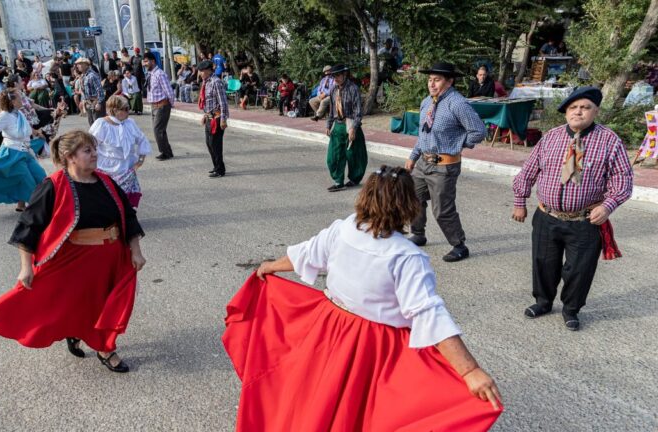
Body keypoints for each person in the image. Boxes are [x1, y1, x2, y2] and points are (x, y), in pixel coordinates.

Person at [223, 165, 503, 431]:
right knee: (363, 408)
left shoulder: (344, 228)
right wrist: (469, 371)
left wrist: (271, 265)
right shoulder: (407, 256)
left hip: (328, 328)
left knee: (315, 394)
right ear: (408, 206)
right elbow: (428, 313)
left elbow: (306, 254)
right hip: (374, 345)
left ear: (366, 195)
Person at [0, 130, 146, 374]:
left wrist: (135, 250)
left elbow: (128, 216)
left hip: (111, 259)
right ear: (70, 157)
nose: (95, 154)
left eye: (94, 149)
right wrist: (26, 268)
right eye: (87, 150)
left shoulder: (107, 182)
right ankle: (96, 343)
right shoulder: (53, 186)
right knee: (77, 304)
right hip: (74, 261)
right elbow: (28, 227)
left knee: (109, 305)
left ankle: (97, 343)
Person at [512, 87, 633, 331]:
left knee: (579, 270)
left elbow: (623, 180)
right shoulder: (551, 137)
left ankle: (571, 309)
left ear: (595, 111)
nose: (578, 112)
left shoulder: (610, 141)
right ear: (566, 112)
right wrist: (519, 201)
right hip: (547, 216)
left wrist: (608, 206)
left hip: (585, 221)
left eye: (585, 107)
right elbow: (529, 170)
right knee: (544, 262)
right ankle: (543, 302)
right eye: (572, 107)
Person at [404, 62, 486, 262]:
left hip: (444, 166)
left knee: (442, 209)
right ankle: (418, 233)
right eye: (430, 79)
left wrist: (457, 144)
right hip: (423, 162)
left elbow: (479, 131)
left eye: (437, 80)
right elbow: (423, 135)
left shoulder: (457, 104)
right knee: (413, 198)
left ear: (449, 81)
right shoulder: (427, 102)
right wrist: (413, 156)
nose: (432, 84)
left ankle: (459, 245)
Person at [0, 88, 47, 211]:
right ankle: (37, 209)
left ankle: (21, 204)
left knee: (40, 175)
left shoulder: (19, 113)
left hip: (26, 152)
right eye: (19, 97)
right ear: (12, 102)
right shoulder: (4, 116)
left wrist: (37, 133)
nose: (22, 99)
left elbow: (26, 128)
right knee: (26, 181)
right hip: (13, 154)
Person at [90, 96, 152, 208]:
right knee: (108, 199)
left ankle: (126, 220)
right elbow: (90, 145)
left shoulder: (130, 123)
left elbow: (142, 139)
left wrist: (140, 161)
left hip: (126, 169)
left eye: (128, 108)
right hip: (106, 170)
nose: (129, 111)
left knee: (126, 200)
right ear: (115, 110)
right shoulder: (101, 124)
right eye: (126, 109)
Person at [324, 64, 367, 192]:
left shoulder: (353, 89)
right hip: (338, 126)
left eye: (337, 75)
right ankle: (338, 181)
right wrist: (328, 124)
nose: (335, 78)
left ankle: (354, 179)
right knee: (333, 156)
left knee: (354, 155)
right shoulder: (333, 90)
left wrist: (354, 128)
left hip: (350, 125)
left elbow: (358, 112)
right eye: (333, 76)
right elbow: (332, 110)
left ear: (344, 75)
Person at [197, 60, 229, 177]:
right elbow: (208, 102)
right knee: (209, 144)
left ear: (209, 70)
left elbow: (223, 102)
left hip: (217, 118)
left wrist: (223, 119)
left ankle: (220, 170)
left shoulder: (216, 82)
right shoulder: (206, 82)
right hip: (209, 117)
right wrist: (204, 116)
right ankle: (216, 166)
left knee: (215, 145)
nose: (200, 73)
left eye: (202, 71)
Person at [144, 51, 175, 161]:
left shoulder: (160, 74)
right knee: (160, 130)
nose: (144, 64)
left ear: (153, 61)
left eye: (146, 61)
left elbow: (169, 91)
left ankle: (165, 152)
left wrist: (170, 104)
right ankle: (168, 152)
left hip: (162, 105)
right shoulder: (151, 74)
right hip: (154, 106)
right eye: (144, 61)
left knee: (158, 130)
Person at [77, 57, 105, 126]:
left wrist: (99, 103)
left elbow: (100, 90)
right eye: (77, 64)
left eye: (80, 64)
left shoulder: (92, 75)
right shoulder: (83, 76)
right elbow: (84, 91)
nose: (78, 66)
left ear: (86, 65)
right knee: (91, 124)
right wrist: (83, 102)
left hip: (96, 102)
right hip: (88, 103)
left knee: (98, 124)